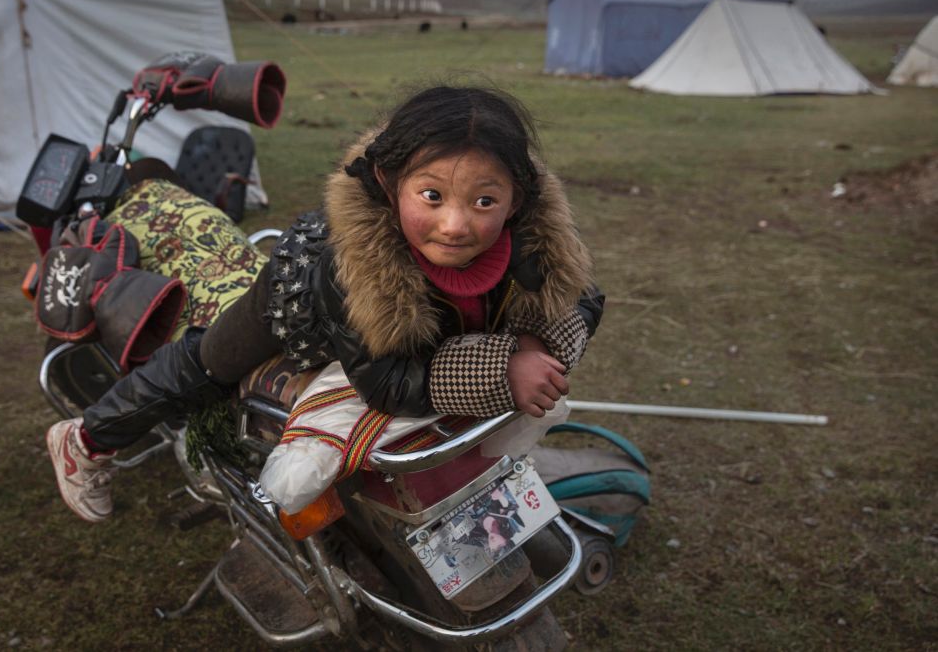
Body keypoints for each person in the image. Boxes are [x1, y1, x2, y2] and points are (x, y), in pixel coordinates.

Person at [46, 84, 604, 522]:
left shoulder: (536, 242)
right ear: (389, 183)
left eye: (484, 199)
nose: (456, 225)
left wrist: (536, 339)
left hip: (431, 343)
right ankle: (86, 440)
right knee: (205, 363)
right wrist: (504, 368)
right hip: (294, 309)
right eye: (431, 195)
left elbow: (585, 297)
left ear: (518, 199)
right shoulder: (349, 266)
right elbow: (383, 383)